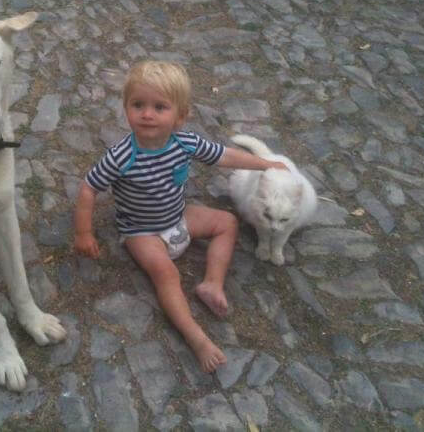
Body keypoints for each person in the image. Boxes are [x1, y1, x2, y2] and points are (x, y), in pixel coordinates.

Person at [73, 60, 288, 373]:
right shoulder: (121, 155)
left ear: (180, 116)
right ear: (126, 109)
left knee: (227, 222)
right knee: (167, 274)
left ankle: (212, 284)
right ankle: (195, 337)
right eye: (138, 105)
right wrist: (83, 233)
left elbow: (224, 155)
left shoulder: (186, 143)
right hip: (141, 231)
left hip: (178, 215)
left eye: (160, 107)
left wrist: (265, 164)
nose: (147, 114)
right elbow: (88, 188)